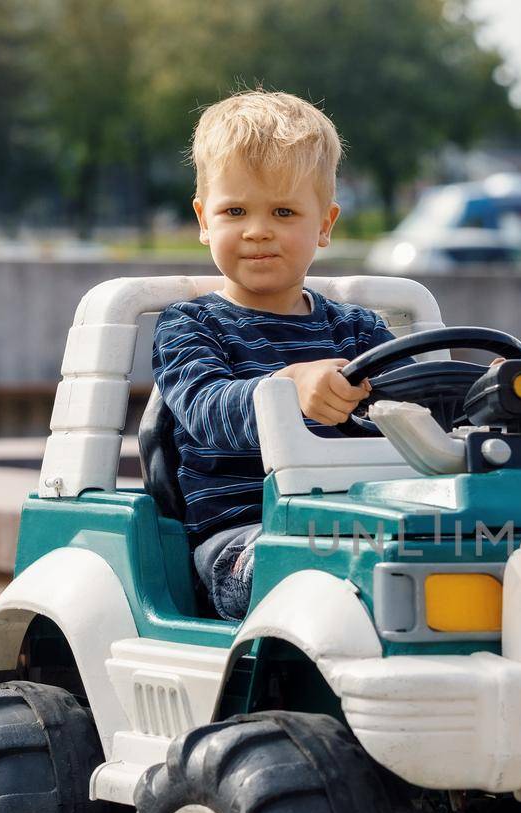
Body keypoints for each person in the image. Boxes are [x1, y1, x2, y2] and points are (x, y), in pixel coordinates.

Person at [153, 89, 394, 621]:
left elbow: (414, 410)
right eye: (235, 210)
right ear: (203, 218)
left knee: (477, 542)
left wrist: (478, 396)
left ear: (325, 224)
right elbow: (206, 411)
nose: (258, 229)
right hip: (239, 539)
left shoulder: (358, 328)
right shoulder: (191, 324)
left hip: (358, 519)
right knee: (317, 562)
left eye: (283, 211)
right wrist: (289, 390)